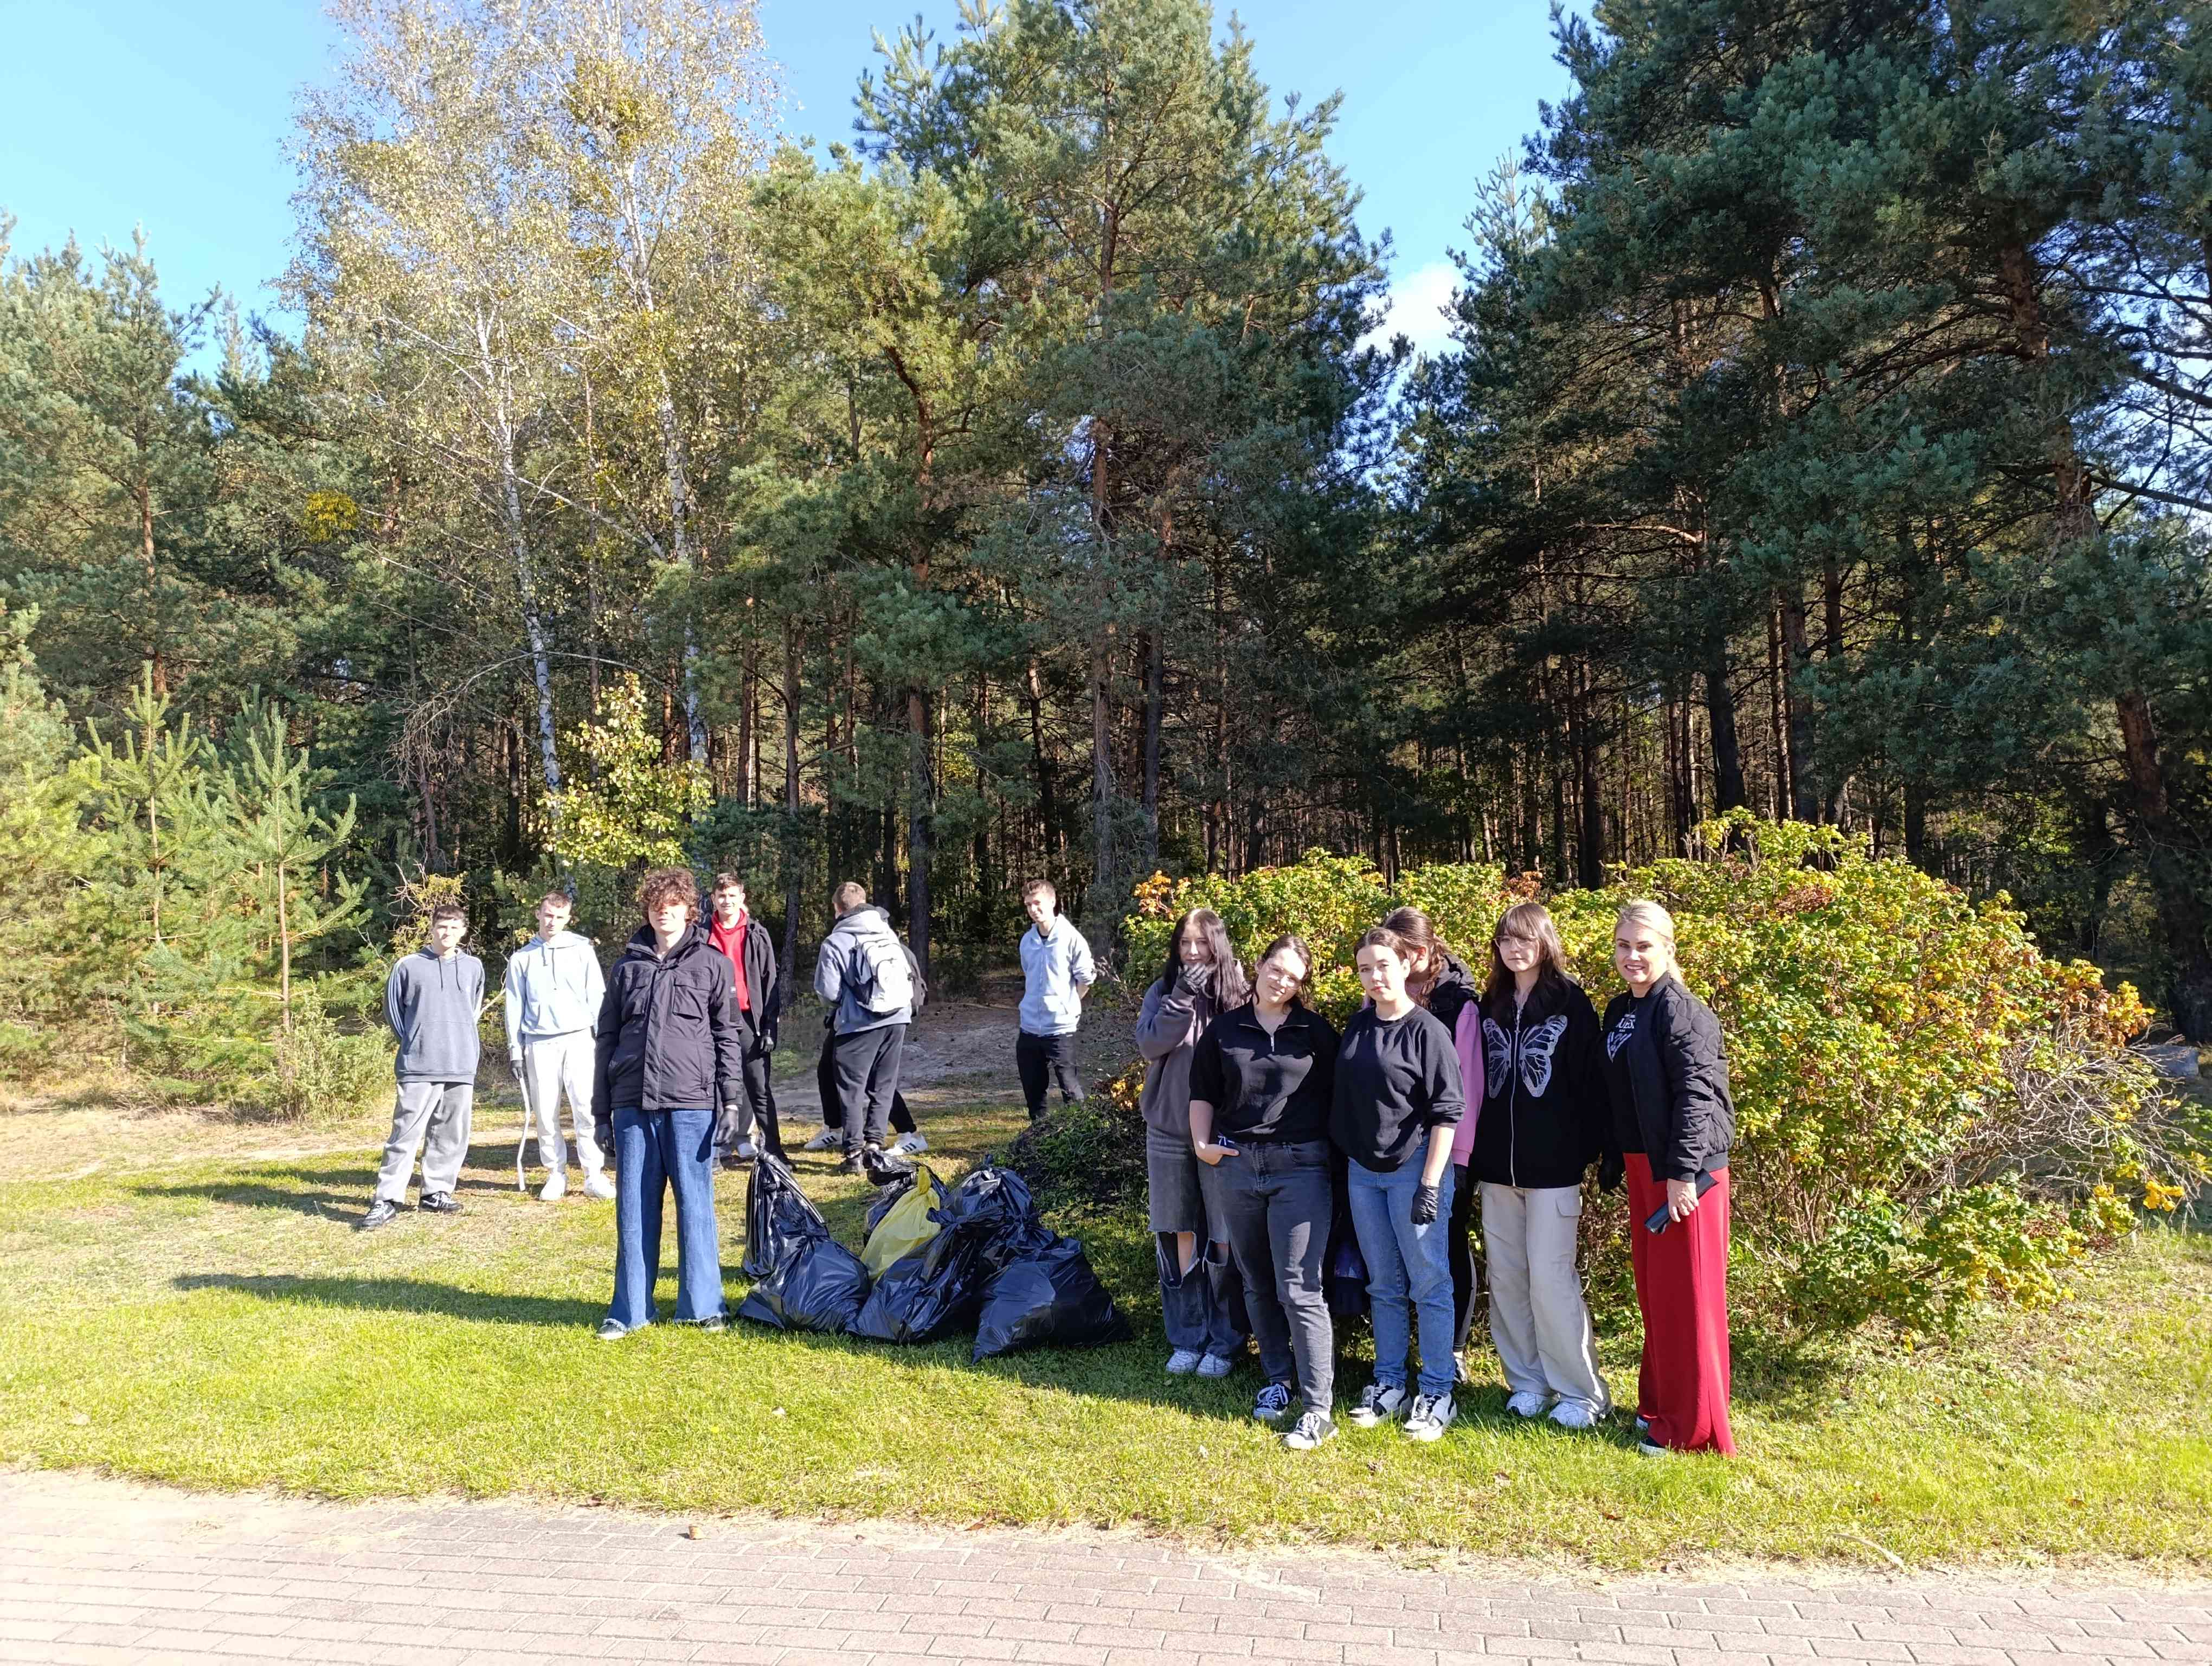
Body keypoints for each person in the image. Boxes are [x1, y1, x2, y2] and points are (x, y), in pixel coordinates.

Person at [1189, 934, 1341, 1450]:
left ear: (1302, 985)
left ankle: (1318, 1408)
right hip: (1237, 1166)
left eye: (1294, 977)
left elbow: (1342, 1097)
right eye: (1276, 969)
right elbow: (1202, 1092)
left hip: (1301, 1167)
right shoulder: (1225, 1029)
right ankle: (1278, 1380)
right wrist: (1203, 1146)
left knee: (1299, 1287)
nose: (1282, 981)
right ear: (1258, 965)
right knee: (1255, 1280)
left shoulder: (1315, 1032)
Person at [1601, 899, 1737, 1457]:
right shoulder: (1621, 1010)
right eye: (1624, 946)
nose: (1632, 956)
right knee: (1657, 1295)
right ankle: (1659, 1405)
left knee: (1689, 1299)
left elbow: (1698, 1097)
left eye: (1644, 946)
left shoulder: (1684, 1012)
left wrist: (1681, 1173)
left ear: (1668, 949)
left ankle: (1692, 1427)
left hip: (1686, 1173)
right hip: (1645, 1168)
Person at [1473, 901, 1611, 1428]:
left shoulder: (1571, 1002)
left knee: (1551, 1281)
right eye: (1506, 939)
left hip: (1554, 1171)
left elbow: (1591, 1086)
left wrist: (1583, 1154)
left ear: (1545, 942)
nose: (1515, 949)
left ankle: (1581, 1393)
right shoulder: (1491, 1002)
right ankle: (1528, 1383)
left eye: (1525, 939)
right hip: (1497, 1172)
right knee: (1508, 1280)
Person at [593, 867, 744, 1339]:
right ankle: (630, 1310)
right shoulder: (626, 969)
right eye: (657, 905)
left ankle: (703, 1306)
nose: (665, 912)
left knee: (696, 1206)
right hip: (632, 1104)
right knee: (634, 1210)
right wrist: (601, 1113)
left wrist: (732, 1102)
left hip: (691, 1103)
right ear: (648, 910)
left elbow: (727, 1036)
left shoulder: (712, 964)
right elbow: (606, 1040)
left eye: (674, 904)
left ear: (689, 910)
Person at [1332, 925, 1465, 1441]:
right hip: (1364, 1175)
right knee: (1383, 1284)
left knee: (1429, 1283)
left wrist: (1430, 1184)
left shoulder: (1427, 1031)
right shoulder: (1359, 1026)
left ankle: (1437, 1390)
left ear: (1406, 965)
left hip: (1415, 1171)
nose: (1375, 977)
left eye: (1383, 966)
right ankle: (1389, 1382)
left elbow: (1448, 1112)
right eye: (1365, 969)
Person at [1134, 907, 1252, 1379]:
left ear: (1217, 944)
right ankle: (1188, 1337)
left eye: (1201, 942)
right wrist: (1181, 997)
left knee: (1223, 1236)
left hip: (1222, 1134)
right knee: (1177, 1231)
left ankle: (1225, 1341)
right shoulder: (1163, 991)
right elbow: (1150, 1046)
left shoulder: (1238, 995)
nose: (1192, 952)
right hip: (1167, 1131)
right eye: (1184, 942)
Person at [1379, 906, 1486, 1379]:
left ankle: (1453, 1350)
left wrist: (1458, 1160)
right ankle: (1405, 1349)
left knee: (1447, 1245)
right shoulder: (1382, 991)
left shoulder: (1459, 1002)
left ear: (1422, 952)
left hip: (1445, 1148)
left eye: (1402, 953)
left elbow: (1468, 1089)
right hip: (1392, 1149)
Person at [363, 902, 485, 1231]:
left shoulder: (474, 967)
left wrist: (463, 1043)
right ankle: (387, 1199)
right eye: (442, 927)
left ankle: (436, 1192)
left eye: (454, 927)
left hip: (460, 1063)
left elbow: (472, 1010)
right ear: (432, 929)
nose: (447, 933)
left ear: (463, 931)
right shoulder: (408, 966)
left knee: (451, 1133)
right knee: (405, 1134)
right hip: (419, 1064)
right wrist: (415, 1042)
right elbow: (393, 1011)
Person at [503, 889, 613, 1202]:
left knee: (586, 1108)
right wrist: (515, 1049)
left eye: (559, 917)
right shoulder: (522, 958)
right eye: (548, 915)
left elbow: (597, 996)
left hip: (578, 1038)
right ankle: (555, 1174)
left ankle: (594, 1175)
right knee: (546, 1111)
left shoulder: (582, 950)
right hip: (539, 1042)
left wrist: (604, 1039)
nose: (552, 922)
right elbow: (514, 1006)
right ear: (538, 915)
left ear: (568, 919)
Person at [813, 882, 918, 1174]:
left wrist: (843, 1007)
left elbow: (828, 992)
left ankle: (854, 1154)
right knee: (883, 1085)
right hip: (897, 1017)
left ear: (837, 908)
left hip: (859, 1023)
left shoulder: (835, 941)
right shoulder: (886, 931)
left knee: (851, 1089)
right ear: (864, 903)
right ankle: (874, 1146)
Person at [705, 870, 784, 1162]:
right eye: (721, 896)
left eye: (732, 895)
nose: (727, 901)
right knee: (713, 1083)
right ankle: (716, 1147)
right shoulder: (700, 933)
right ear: (713, 899)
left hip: (749, 1018)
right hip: (711, 1017)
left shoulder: (756, 933)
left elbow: (770, 980)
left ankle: (772, 1149)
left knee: (758, 1085)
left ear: (742, 898)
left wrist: (770, 1027)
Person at [1015, 878, 1096, 1122]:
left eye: (1038, 903)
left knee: (1070, 1089)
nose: (1033, 909)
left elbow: (1086, 978)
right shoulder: (1027, 941)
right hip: (1029, 1028)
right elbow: (1029, 975)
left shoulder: (1071, 938)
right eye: (1028, 904)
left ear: (1052, 902)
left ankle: (1079, 1132)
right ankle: (1037, 1135)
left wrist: (1069, 1005)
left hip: (1061, 1028)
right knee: (1034, 1091)